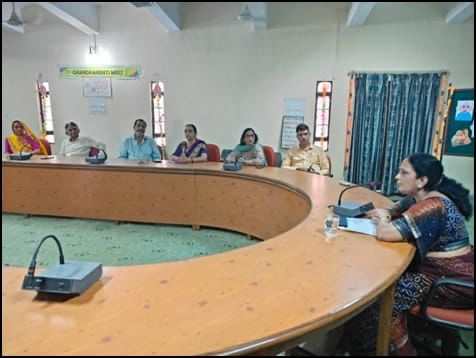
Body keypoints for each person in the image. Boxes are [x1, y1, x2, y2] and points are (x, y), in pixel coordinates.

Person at [341, 153, 473, 355]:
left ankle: (397, 350)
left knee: (378, 300)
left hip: (451, 283)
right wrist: (384, 214)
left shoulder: (433, 205)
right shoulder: (417, 198)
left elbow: (385, 232)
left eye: (404, 173)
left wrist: (383, 220)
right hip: (443, 273)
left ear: (422, 181)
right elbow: (391, 209)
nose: (396, 177)